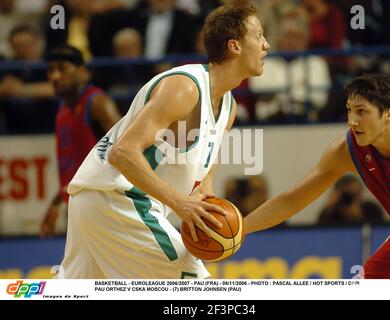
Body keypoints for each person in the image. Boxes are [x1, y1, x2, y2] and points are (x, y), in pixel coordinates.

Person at [57, 4, 269, 279]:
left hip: (95, 201)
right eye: (259, 36)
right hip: (117, 198)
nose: (266, 45)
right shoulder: (185, 87)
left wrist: (209, 218)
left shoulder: (227, 107)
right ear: (235, 46)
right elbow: (122, 153)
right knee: (193, 284)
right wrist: (181, 204)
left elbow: (203, 179)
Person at [245, 73, 390, 279]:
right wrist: (240, 229)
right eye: (349, 111)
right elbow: (292, 200)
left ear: (389, 114)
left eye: (361, 112)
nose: (352, 121)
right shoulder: (346, 150)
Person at [39, 45, 121, 238]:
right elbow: (75, 167)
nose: (54, 76)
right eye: (50, 70)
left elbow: (126, 150)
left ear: (83, 71)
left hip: (105, 204)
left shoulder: (98, 103)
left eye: (62, 68)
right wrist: (58, 200)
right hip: (79, 202)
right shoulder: (63, 108)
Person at [317, 174, 384, 225]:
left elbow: (378, 232)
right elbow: (322, 233)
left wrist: (359, 216)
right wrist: (330, 208)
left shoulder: (372, 209)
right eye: (346, 195)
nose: (349, 198)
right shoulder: (331, 212)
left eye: (354, 194)